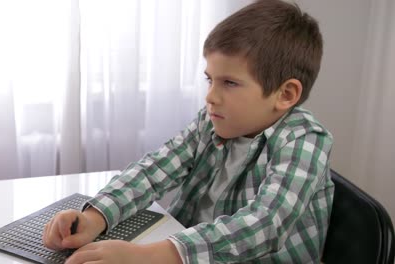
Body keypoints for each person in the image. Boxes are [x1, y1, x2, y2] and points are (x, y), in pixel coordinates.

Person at [43, 0, 334, 263]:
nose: (211, 96)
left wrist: (150, 256)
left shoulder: (304, 139)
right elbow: (153, 170)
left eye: (229, 83)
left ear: (285, 94)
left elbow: (266, 224)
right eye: (210, 80)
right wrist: (95, 217)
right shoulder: (212, 121)